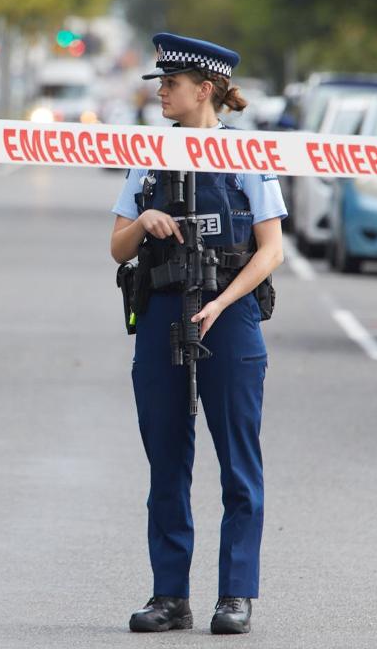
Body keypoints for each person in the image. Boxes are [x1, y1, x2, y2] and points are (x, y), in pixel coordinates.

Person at [109, 33, 286, 635]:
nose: (161, 92)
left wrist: (221, 304)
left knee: (239, 460)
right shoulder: (148, 157)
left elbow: (270, 251)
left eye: (171, 83)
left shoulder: (245, 156)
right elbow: (116, 245)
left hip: (229, 317)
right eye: (161, 83)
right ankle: (170, 595)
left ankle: (235, 594)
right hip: (160, 312)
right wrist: (145, 220)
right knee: (166, 458)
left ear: (203, 90)